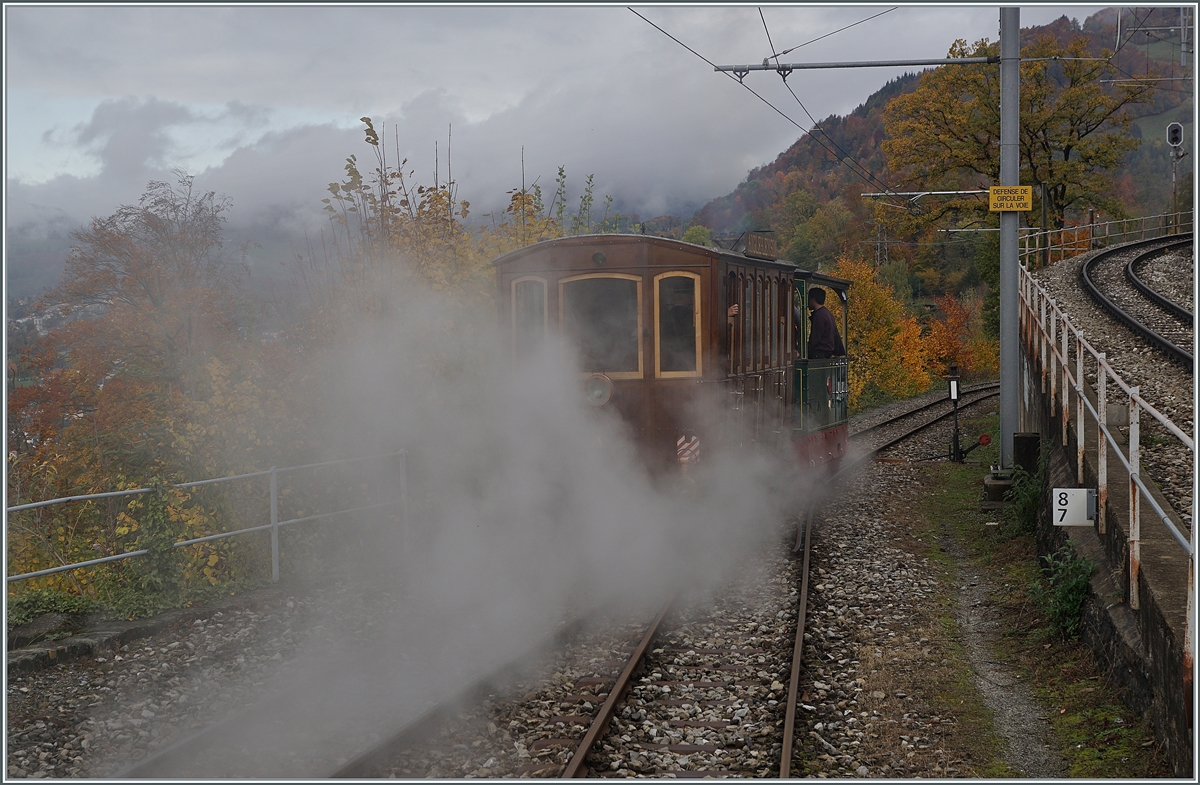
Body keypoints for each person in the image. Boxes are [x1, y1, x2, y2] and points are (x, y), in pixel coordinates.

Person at [806, 286, 845, 359]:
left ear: (813, 299)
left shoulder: (819, 316)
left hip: (819, 354)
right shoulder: (827, 313)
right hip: (826, 353)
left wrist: (804, 351)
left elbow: (815, 338)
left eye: (809, 299)